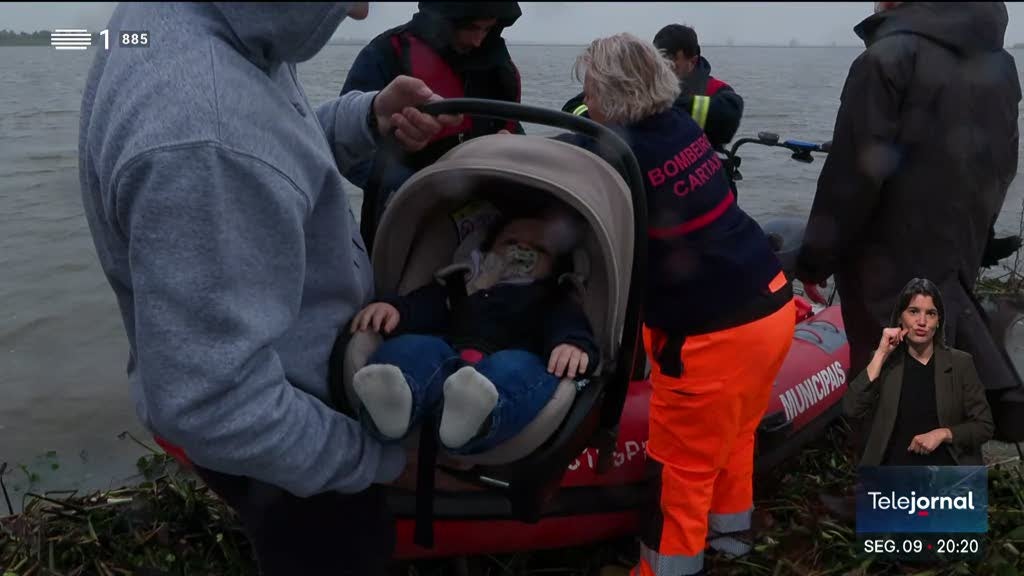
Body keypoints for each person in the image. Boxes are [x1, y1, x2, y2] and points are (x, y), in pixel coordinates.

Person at [78, 3, 461, 575]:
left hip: (285, 409)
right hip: (287, 440)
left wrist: (368, 118)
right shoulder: (197, 130)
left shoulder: (192, 20)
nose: (360, 11)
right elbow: (211, 403)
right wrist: (373, 459)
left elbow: (266, 140)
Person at [565, 34, 796, 576]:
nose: (585, 99)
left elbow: (563, 173)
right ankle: (733, 541)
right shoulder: (682, 127)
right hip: (770, 307)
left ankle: (665, 570)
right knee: (736, 437)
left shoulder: (614, 153)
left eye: (589, 88)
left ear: (607, 89)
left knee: (679, 475)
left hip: (711, 336)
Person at [795, 2, 1021, 381]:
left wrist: (815, 261)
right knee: (942, 383)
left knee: (889, 395)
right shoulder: (1001, 67)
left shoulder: (885, 59)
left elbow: (852, 178)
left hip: (885, 274)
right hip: (956, 262)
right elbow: (1001, 165)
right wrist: (979, 239)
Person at [349, 206, 599, 453]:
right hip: (448, 357)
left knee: (518, 367)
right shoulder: (463, 285)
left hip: (510, 363)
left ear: (557, 267)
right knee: (412, 348)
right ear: (488, 250)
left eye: (540, 249)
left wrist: (572, 344)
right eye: (510, 241)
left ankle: (477, 417)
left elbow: (569, 325)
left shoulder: (551, 299)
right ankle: (393, 403)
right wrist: (395, 310)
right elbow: (422, 305)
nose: (522, 250)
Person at [341, 2, 525, 244]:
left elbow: (514, 130)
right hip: (404, 226)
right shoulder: (386, 54)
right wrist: (417, 188)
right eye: (471, 28)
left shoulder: (502, 71)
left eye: (488, 29)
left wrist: (515, 150)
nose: (479, 40)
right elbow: (347, 147)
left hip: (484, 227)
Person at [844, 278, 994, 466]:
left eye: (930, 313)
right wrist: (881, 354)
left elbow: (984, 426)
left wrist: (943, 434)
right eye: (914, 312)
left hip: (943, 477)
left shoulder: (960, 363)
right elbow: (851, 408)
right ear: (900, 317)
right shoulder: (885, 362)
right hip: (892, 476)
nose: (922, 322)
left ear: (938, 321)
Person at [562, 24, 744, 149]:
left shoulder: (716, 90)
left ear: (692, 61)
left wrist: (650, 104)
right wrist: (599, 121)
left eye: (672, 64)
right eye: (659, 62)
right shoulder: (639, 81)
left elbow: (727, 120)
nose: (665, 69)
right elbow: (573, 106)